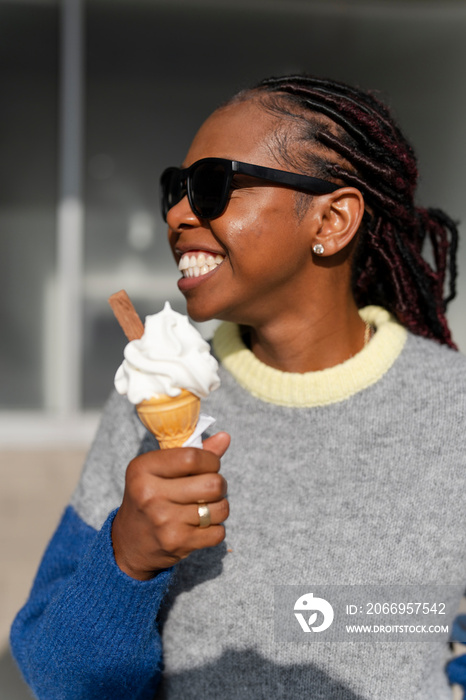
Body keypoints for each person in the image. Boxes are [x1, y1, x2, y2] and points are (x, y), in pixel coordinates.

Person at [10, 74, 466, 699]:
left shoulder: (453, 409)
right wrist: (125, 563)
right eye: (176, 187)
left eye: (213, 186)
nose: (177, 213)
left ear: (331, 219)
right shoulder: (149, 400)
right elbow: (58, 676)